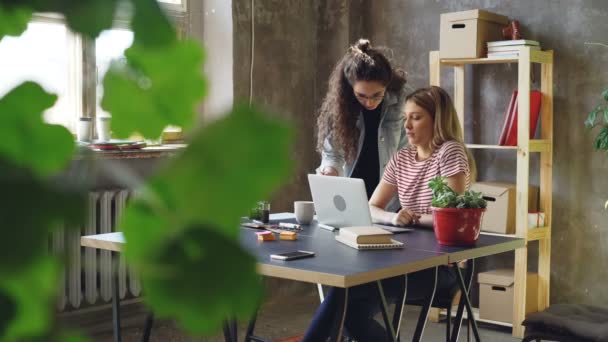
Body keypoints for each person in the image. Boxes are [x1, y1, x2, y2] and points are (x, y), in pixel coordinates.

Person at [303, 86, 475, 341]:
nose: (407, 125)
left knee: (343, 298)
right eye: (405, 117)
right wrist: (393, 218)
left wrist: (414, 219)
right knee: (346, 304)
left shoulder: (449, 152)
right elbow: (371, 208)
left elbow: (453, 219)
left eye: (416, 117)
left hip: (441, 268)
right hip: (401, 260)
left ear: (437, 120)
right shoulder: (402, 158)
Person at [316, 38, 408, 206]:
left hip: (389, 200)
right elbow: (333, 154)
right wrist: (329, 172)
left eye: (376, 95)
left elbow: (407, 153)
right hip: (351, 197)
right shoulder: (340, 106)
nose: (369, 102)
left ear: (387, 85)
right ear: (350, 89)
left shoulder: (402, 101)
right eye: (362, 96)